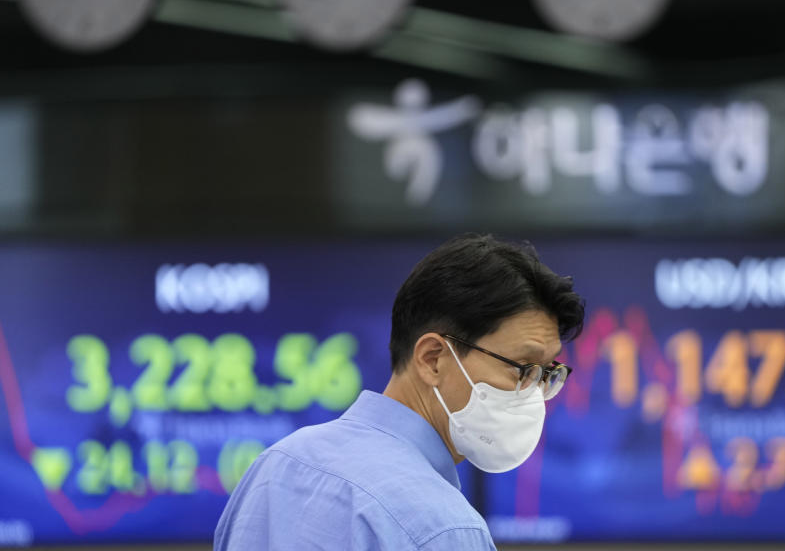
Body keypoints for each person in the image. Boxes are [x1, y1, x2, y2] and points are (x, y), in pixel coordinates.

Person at [214, 233, 585, 550]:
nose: (534, 393)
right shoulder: (443, 529)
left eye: (545, 374)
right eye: (522, 369)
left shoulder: (275, 467)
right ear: (433, 359)